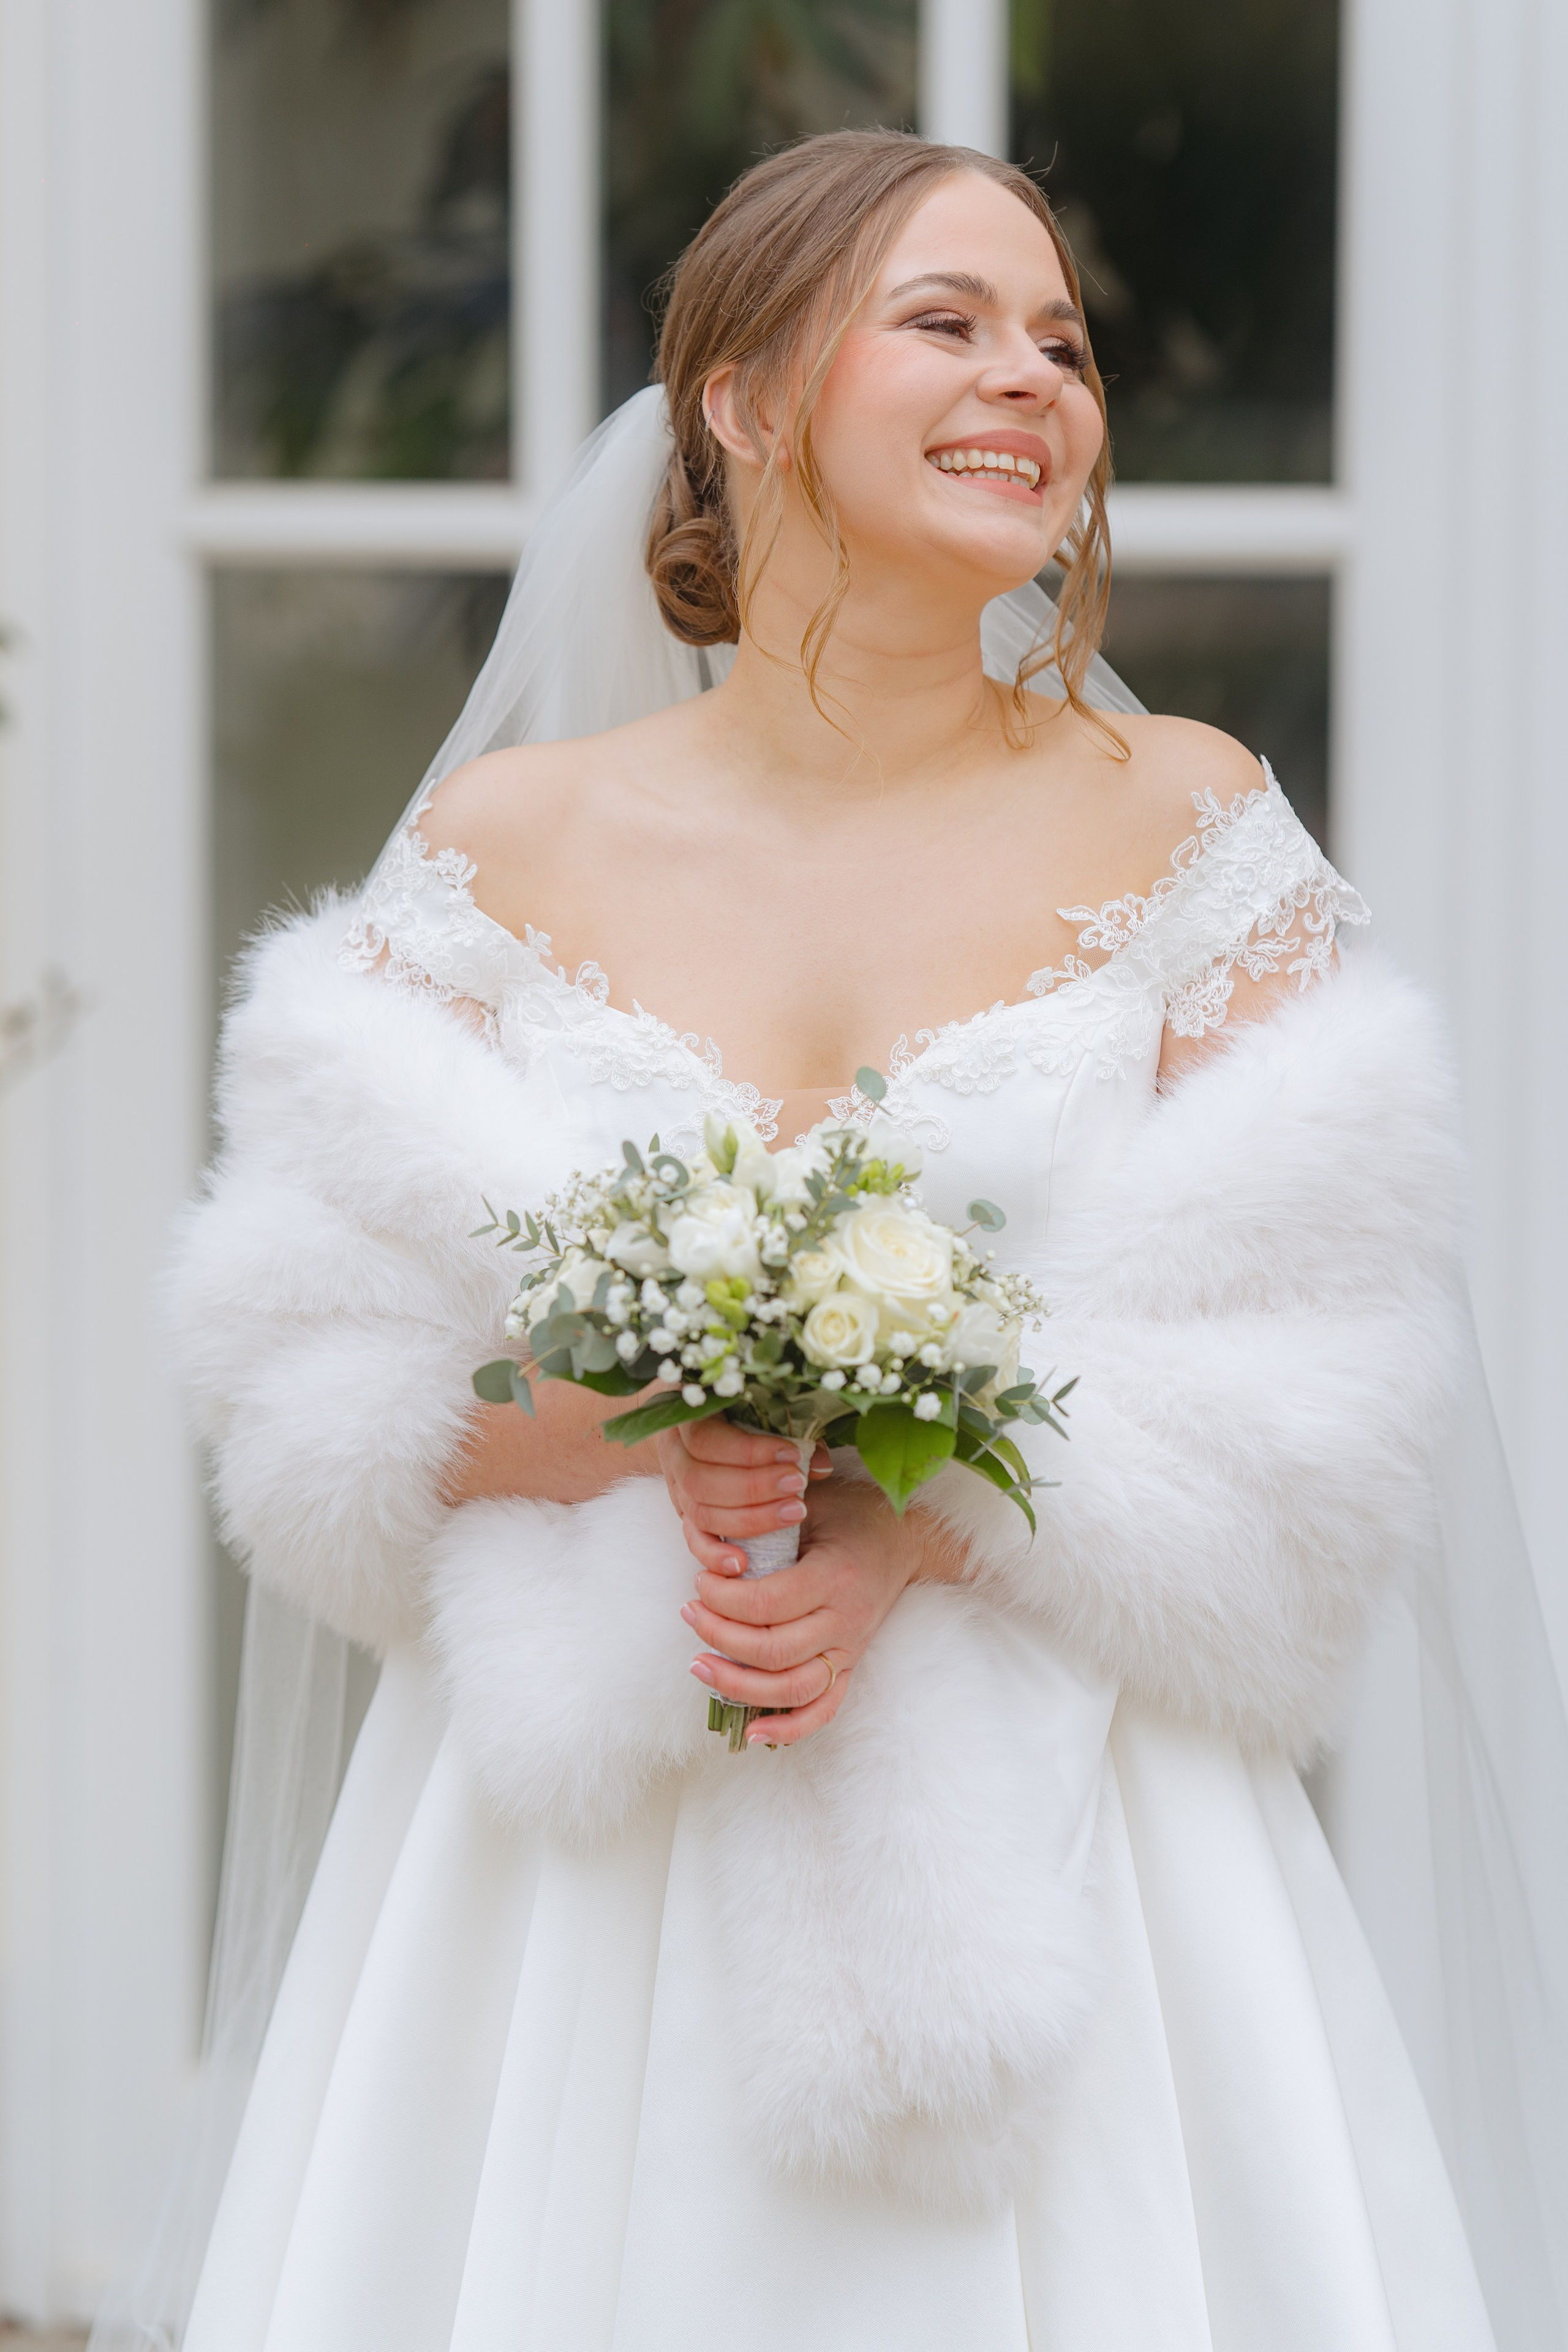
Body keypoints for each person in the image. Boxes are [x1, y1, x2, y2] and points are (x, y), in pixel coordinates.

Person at [130, 132, 1566, 2351]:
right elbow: (302, 1372)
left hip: (1081, 1860)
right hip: (567, 1868)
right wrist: (612, 1420)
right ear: (737, 393)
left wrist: (927, 1518)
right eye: (951, 322)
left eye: (1066, 342)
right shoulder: (506, 844)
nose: (1038, 383)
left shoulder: (1181, 819)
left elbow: (1325, 1389)